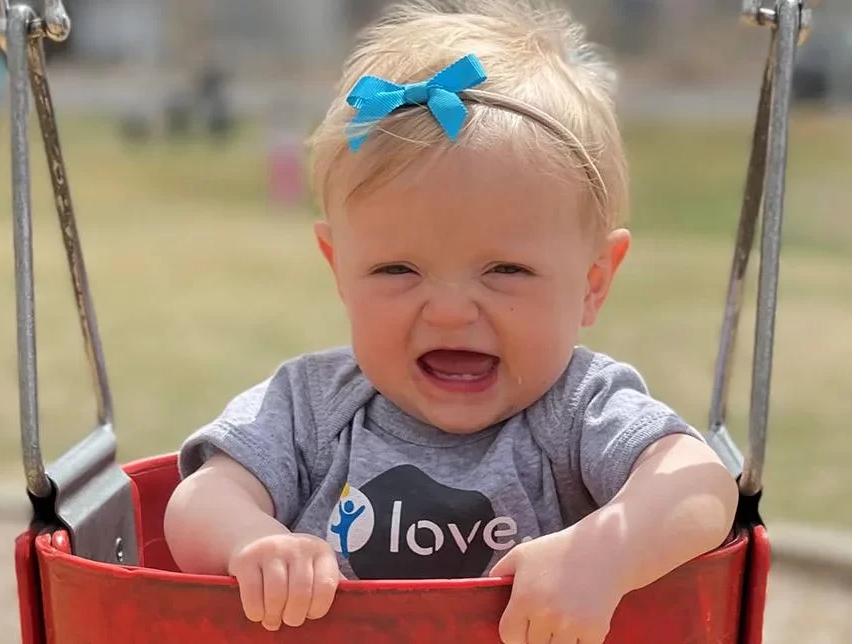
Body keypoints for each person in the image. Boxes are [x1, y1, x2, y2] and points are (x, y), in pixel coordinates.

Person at [164, 2, 738, 642]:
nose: (448, 310)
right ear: (339, 268)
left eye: (506, 270)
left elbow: (700, 486)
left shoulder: (579, 410)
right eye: (395, 270)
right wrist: (253, 541)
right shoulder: (309, 405)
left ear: (593, 282)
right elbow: (197, 501)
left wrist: (603, 553)